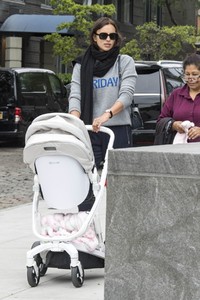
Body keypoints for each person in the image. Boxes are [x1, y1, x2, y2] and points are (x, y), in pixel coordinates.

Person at [68, 16, 137, 168]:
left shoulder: (124, 62)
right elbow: (75, 96)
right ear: (94, 37)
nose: (108, 40)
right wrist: (75, 123)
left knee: (119, 176)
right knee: (89, 176)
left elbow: (126, 95)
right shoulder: (81, 65)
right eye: (103, 35)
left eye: (112, 36)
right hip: (91, 130)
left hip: (118, 129)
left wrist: (106, 115)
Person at [155, 53, 200, 144]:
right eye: (187, 74)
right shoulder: (176, 95)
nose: (191, 78)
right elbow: (160, 121)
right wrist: (174, 125)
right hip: (179, 150)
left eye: (194, 74)